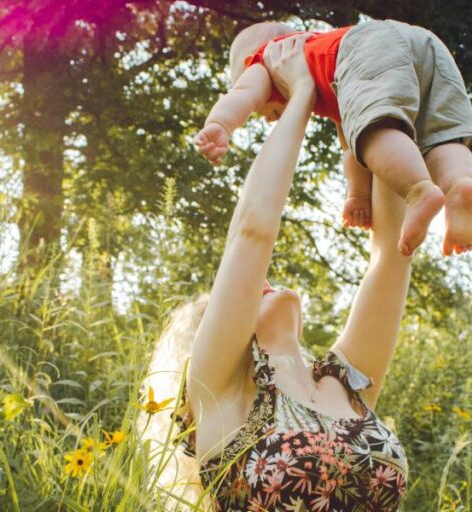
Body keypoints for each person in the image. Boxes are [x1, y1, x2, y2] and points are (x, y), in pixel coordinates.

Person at [142, 35, 413, 511]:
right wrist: (302, 94)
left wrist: (372, 102)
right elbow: (253, 232)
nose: (259, 283)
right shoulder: (219, 389)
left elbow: (392, 254)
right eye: (236, 298)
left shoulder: (342, 384)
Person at [195, 19, 472, 258]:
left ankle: (419, 190)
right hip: (426, 44)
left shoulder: (268, 60)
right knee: (442, 135)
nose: (268, 117)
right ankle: (459, 186)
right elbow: (351, 143)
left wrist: (220, 123)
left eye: (263, 112)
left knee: (375, 132)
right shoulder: (332, 71)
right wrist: (358, 195)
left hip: (369, 45)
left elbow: (243, 94)